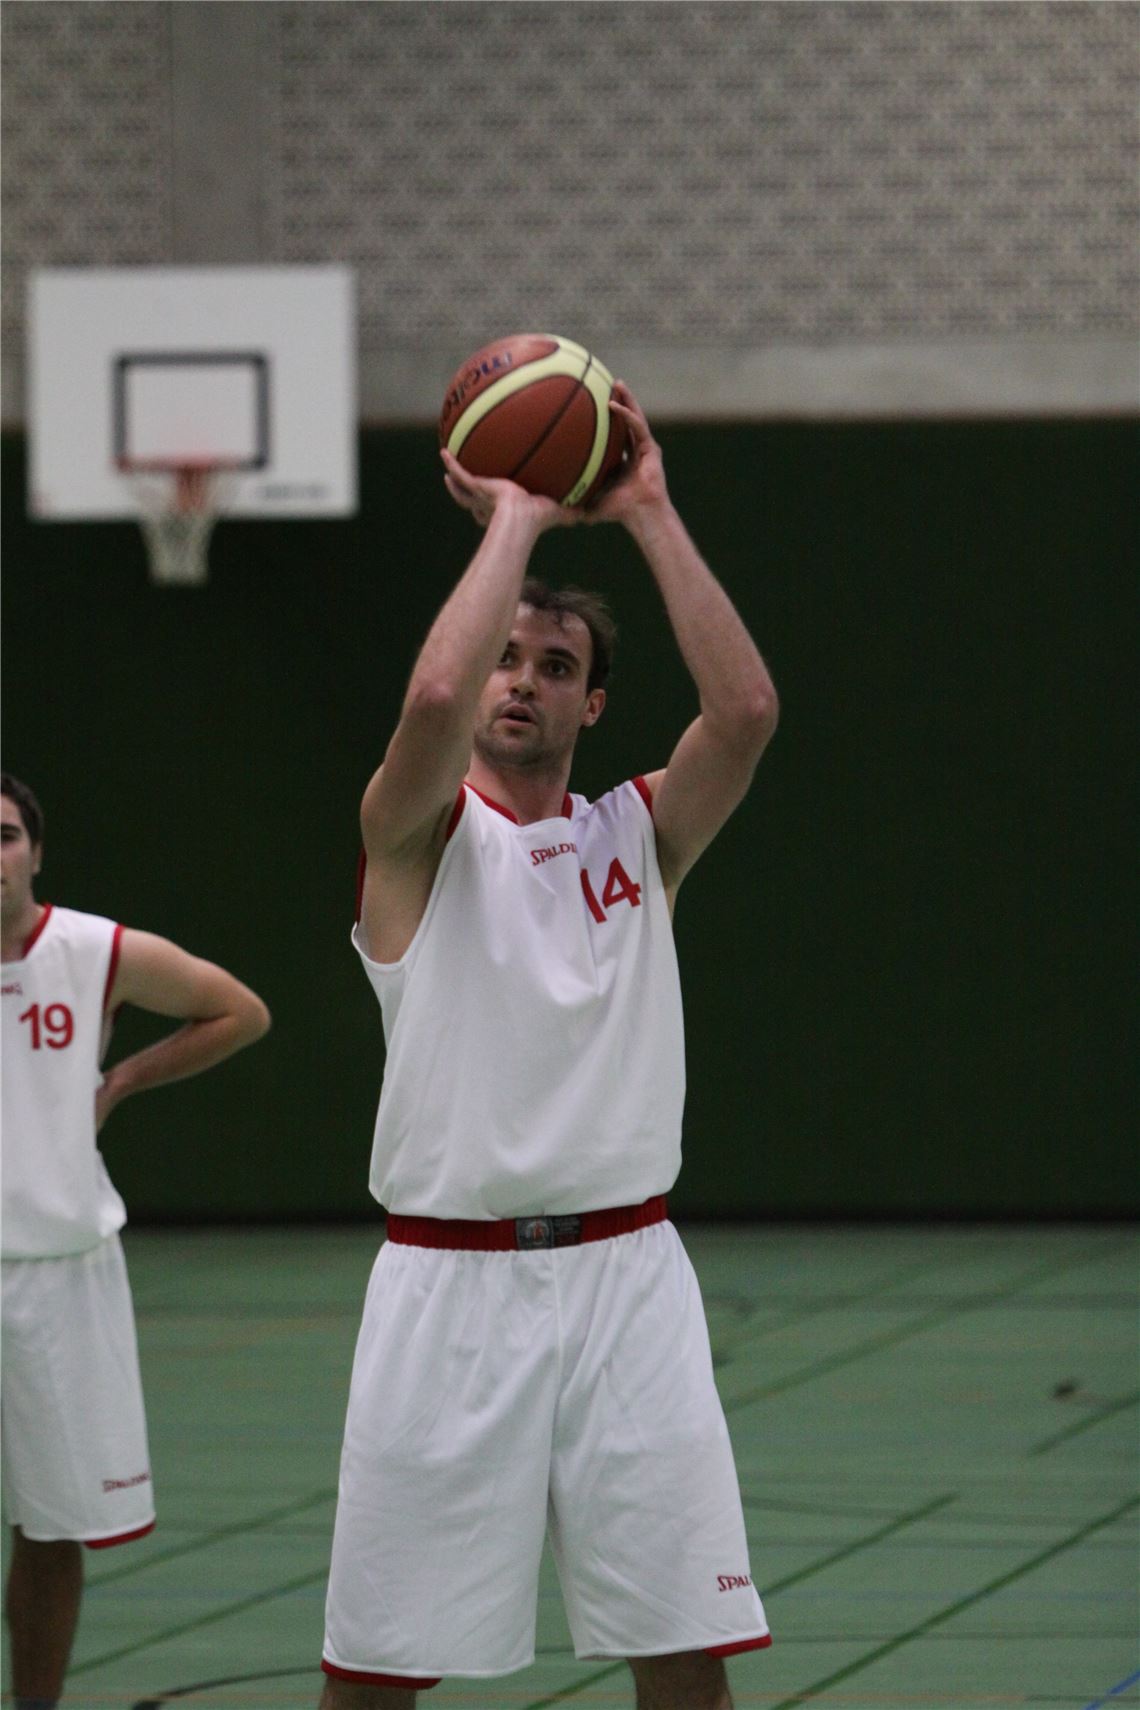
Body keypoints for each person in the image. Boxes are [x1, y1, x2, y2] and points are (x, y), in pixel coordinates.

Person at [320, 382, 779, 1710]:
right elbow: (434, 687)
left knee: (684, 1650)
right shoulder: (417, 839)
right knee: (377, 1672)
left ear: (591, 706)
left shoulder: (639, 834)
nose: (521, 679)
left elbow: (745, 710)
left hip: (629, 1280)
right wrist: (515, 516)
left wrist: (647, 506)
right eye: (515, 658)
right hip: (447, 1290)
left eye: (558, 666)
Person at [0, 773, 271, 1708]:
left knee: (53, 1526)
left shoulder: (92, 950)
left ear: (35, 851)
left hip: (62, 1275)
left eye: (2, 836)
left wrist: (118, 1083)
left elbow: (239, 1009)